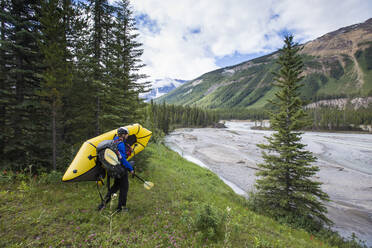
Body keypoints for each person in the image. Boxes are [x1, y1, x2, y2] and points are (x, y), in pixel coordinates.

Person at [98, 127, 134, 212]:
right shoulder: (120, 144)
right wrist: (131, 168)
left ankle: (102, 205)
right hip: (121, 170)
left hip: (114, 169)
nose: (127, 136)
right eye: (126, 134)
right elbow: (122, 159)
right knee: (124, 188)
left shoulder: (114, 141)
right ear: (123, 135)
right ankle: (121, 208)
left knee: (114, 188)